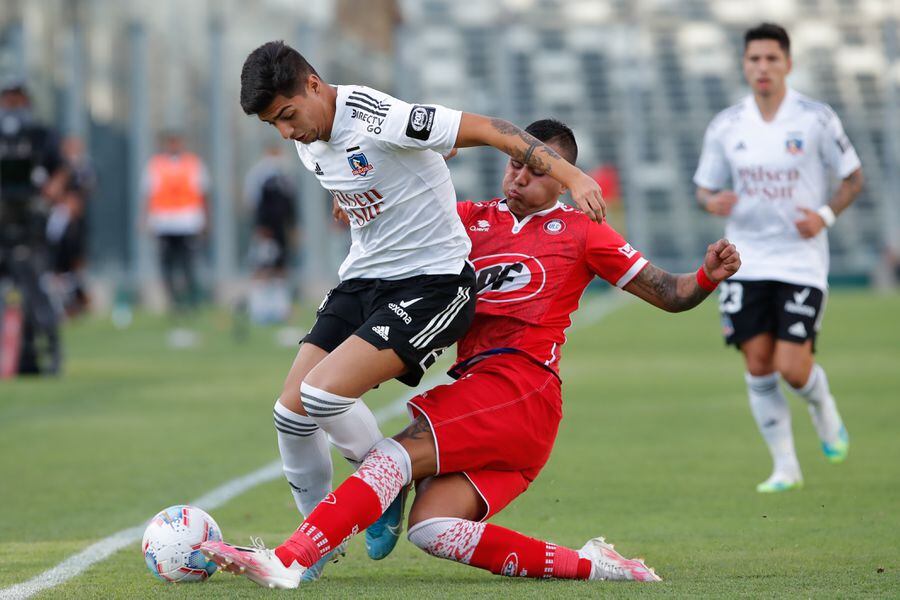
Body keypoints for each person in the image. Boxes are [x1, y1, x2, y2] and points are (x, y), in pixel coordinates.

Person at [200, 119, 741, 587]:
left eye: (535, 170)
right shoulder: (466, 218)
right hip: (487, 397)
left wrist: (706, 276)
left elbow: (669, 293)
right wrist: (360, 208)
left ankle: (289, 560)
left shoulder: (581, 232)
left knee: (394, 456)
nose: (518, 176)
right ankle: (595, 565)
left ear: (561, 176)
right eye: (513, 164)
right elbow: (397, 220)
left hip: (520, 384)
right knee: (433, 529)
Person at [238, 41, 607, 577]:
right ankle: (317, 556)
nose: (286, 132)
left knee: (322, 394)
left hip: (432, 284)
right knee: (290, 413)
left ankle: (385, 488)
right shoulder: (309, 138)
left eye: (288, 115)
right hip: (364, 278)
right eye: (274, 124)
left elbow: (490, 128)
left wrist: (572, 178)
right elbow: (365, 174)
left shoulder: (379, 116)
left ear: (314, 85)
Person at [693, 23, 864, 493]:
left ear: (788, 63)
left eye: (772, 58)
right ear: (745, 65)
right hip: (745, 260)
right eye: (754, 59)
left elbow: (852, 177)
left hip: (800, 261)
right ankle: (785, 467)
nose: (763, 67)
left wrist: (825, 215)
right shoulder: (727, 125)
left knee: (793, 367)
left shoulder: (815, 118)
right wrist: (713, 201)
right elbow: (704, 188)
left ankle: (822, 405)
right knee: (759, 364)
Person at [0, 79, 64, 374]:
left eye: (17, 99)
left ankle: (49, 350)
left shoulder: (40, 135)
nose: (12, 106)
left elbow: (61, 170)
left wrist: (51, 189)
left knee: (34, 287)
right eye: (7, 99)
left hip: (28, 222)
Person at [141, 131, 209, 314]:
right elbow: (148, 194)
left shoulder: (193, 163)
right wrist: (145, 219)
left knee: (188, 264)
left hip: (187, 221)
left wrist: (205, 220)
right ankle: (174, 302)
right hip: (163, 222)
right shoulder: (155, 165)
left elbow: (203, 194)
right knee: (167, 265)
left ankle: (191, 301)